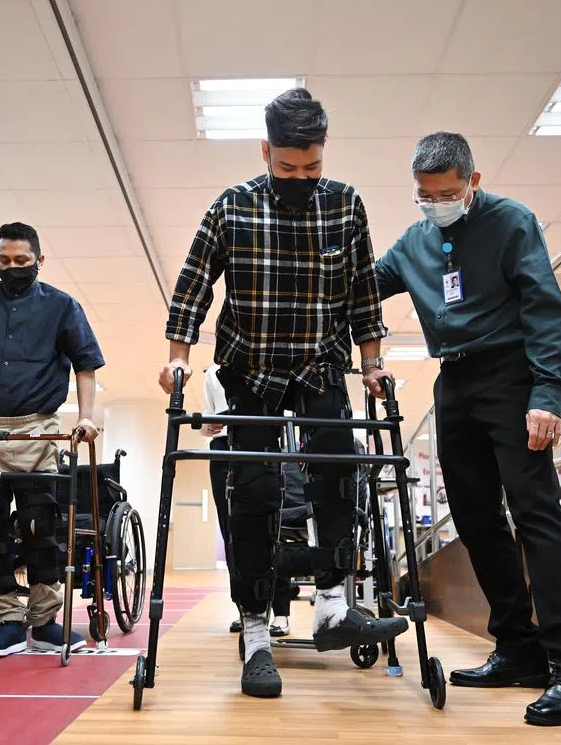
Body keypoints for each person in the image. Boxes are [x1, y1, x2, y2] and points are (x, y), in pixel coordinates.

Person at [160, 88, 408, 699]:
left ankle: (330, 608)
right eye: (287, 167)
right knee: (255, 494)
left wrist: (372, 365)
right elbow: (193, 284)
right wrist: (176, 358)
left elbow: (361, 298)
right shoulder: (233, 206)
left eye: (312, 168)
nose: (300, 178)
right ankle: (255, 634)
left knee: (337, 477)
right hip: (251, 369)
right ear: (266, 150)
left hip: (321, 367)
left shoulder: (346, 206)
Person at [374, 131, 561, 726]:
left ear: (472, 182)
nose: (436, 204)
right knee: (475, 517)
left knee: (535, 513)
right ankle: (518, 647)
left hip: (511, 376)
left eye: (447, 193)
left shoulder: (511, 222)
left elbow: (544, 308)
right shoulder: (414, 241)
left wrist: (546, 391)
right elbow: (362, 285)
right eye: (425, 196)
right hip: (454, 382)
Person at [0, 222, 104, 658]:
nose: (12, 268)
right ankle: (9, 624)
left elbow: (85, 367)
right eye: (4, 261)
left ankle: (46, 623)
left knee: (40, 530)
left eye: (22, 261)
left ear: (39, 261)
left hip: (37, 429)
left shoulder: (63, 306)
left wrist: (86, 417)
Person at [202, 365, 292, 637]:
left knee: (271, 528)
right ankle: (246, 609)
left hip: (261, 445)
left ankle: (281, 612)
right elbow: (207, 425)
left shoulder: (270, 366)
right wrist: (210, 425)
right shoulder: (212, 374)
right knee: (231, 532)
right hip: (222, 449)